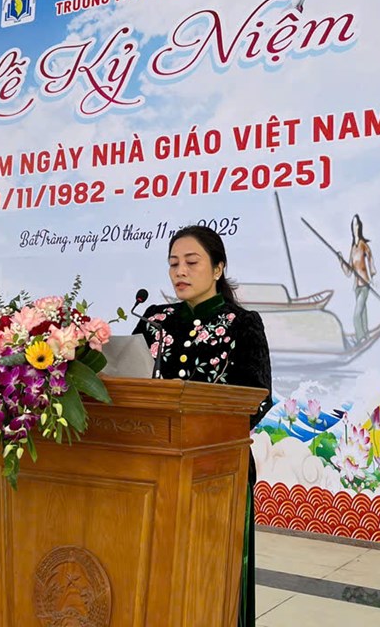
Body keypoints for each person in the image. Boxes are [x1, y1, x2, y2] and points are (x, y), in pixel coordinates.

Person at [134, 225, 273, 627]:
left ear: (217, 268)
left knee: (207, 578)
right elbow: (129, 382)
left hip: (217, 472)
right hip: (150, 466)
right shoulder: (154, 320)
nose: (180, 271)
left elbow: (257, 398)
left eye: (191, 262)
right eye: (173, 263)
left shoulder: (241, 323)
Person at [342, 214, 376, 345]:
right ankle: (365, 333)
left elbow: (370, 258)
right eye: (353, 225)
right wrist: (341, 261)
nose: (354, 227)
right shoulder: (353, 249)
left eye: (356, 225)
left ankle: (360, 337)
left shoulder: (363, 245)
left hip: (364, 284)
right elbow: (349, 271)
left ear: (359, 227)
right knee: (362, 311)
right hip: (356, 286)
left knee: (357, 315)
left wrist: (372, 276)